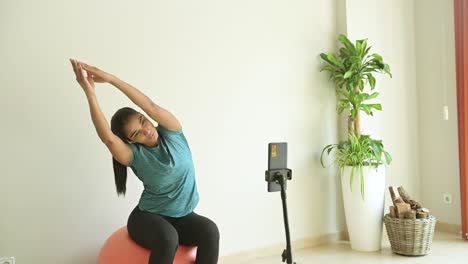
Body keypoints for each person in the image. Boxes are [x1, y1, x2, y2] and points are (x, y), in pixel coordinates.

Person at [69, 59, 219, 264]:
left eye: (143, 121)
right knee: (168, 238)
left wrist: (111, 79)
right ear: (131, 140)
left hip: (181, 216)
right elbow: (108, 138)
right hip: (146, 219)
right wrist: (90, 93)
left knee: (210, 231)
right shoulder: (133, 155)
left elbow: (150, 105)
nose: (146, 131)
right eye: (137, 133)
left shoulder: (173, 132)